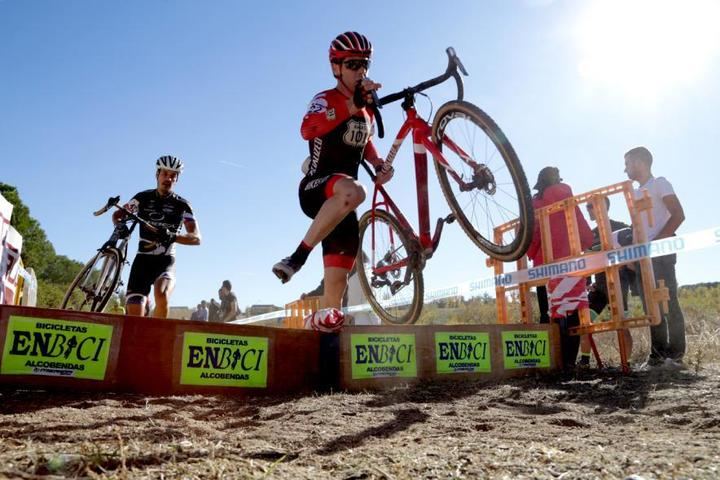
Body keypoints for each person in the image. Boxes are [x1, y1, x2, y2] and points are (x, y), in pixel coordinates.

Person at [271, 32, 393, 331]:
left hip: (343, 200)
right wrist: (351, 105)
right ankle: (297, 257)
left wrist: (378, 164)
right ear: (336, 67)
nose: (361, 71)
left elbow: (365, 143)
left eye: (365, 64)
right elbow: (308, 128)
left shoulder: (364, 111)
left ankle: (322, 319)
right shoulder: (325, 98)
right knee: (355, 189)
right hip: (317, 187)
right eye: (353, 64)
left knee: (336, 292)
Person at [112, 155, 201, 318]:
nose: (168, 178)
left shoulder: (182, 205)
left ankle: (158, 337)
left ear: (177, 178)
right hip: (142, 261)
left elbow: (196, 238)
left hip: (165, 261)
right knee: (134, 312)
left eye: (173, 175)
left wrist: (172, 236)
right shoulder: (142, 198)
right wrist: (120, 225)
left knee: (161, 295)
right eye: (165, 174)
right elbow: (118, 214)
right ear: (157, 175)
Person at [624, 146, 686, 369]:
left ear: (640, 162)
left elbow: (679, 215)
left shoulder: (660, 183)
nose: (625, 169)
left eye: (628, 163)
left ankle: (676, 356)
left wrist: (657, 243)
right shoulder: (633, 193)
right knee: (651, 306)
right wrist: (633, 254)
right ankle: (658, 357)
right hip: (642, 256)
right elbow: (636, 226)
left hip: (661, 252)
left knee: (668, 301)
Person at [527, 167, 594, 370]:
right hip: (571, 262)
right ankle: (569, 363)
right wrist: (582, 243)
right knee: (572, 310)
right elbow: (583, 228)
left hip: (545, 266)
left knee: (548, 312)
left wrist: (533, 253)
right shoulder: (568, 197)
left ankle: (552, 362)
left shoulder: (535, 202)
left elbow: (532, 234)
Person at [580, 198, 635, 366]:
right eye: (587, 207)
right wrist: (588, 281)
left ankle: (627, 364)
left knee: (621, 324)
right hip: (599, 286)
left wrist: (629, 270)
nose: (588, 210)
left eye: (590, 206)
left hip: (618, 283)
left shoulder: (621, 227)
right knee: (584, 322)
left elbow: (634, 250)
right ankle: (584, 362)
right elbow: (587, 259)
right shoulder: (591, 234)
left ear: (603, 207)